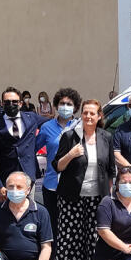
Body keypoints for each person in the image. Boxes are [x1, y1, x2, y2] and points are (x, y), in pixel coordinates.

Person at [54, 99, 114, 260]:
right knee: (75, 237)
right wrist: (71, 154)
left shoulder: (106, 137)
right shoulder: (70, 136)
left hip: (99, 196)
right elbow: (58, 166)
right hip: (73, 196)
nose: (88, 116)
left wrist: (110, 196)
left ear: (99, 116)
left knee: (95, 237)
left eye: (92, 113)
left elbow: (111, 170)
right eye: (85, 113)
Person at [35, 87, 80, 239]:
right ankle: (53, 256)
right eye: (62, 103)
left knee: (72, 223)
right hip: (51, 183)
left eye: (69, 104)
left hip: (74, 184)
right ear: (56, 105)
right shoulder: (47, 127)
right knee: (53, 223)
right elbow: (33, 147)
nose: (65, 107)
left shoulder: (80, 127)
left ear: (75, 107)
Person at [0, 87, 44, 193]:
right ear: (2, 104)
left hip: (28, 176)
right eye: (7, 102)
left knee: (28, 208)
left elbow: (51, 125)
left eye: (14, 101)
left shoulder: (32, 118)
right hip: (6, 180)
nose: (11, 104)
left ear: (20, 103)